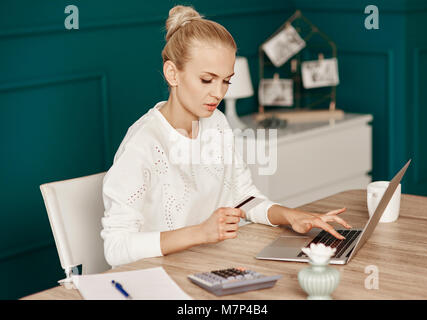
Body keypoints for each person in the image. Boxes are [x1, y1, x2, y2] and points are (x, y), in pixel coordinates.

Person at [100, 5, 351, 267]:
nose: (218, 93)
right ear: (172, 73)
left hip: (209, 265)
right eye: (207, 80)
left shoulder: (216, 123)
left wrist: (291, 216)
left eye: (226, 81)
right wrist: (200, 233)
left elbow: (242, 196)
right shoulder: (143, 143)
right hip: (156, 278)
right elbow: (116, 249)